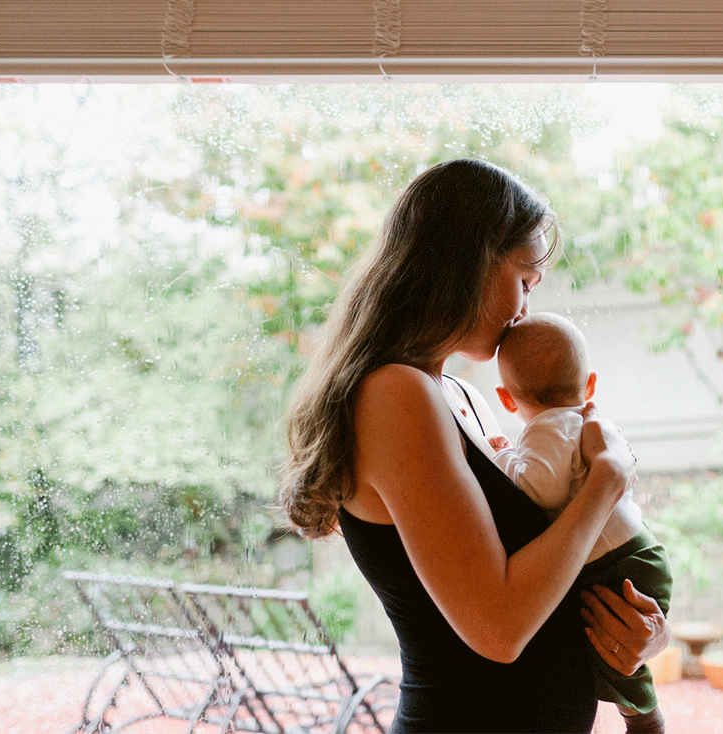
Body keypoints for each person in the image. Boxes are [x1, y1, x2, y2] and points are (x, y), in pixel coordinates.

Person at [278, 159, 669, 734]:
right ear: (473, 263)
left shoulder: (456, 393)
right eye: (524, 281)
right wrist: (607, 480)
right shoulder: (396, 394)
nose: (526, 309)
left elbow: (545, 570)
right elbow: (500, 628)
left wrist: (639, 634)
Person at [488, 312, 672, 734]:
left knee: (610, 641)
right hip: (638, 552)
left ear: (506, 398)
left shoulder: (546, 428)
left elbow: (540, 490)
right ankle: (641, 714)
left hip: (615, 562)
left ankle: (644, 719)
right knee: (609, 643)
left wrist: (501, 457)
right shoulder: (585, 423)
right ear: (589, 384)